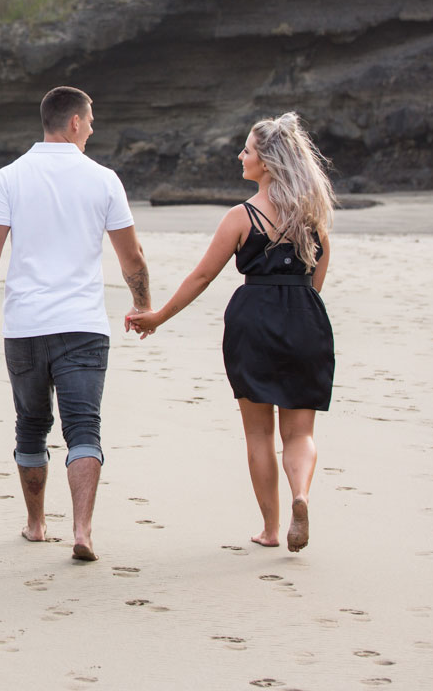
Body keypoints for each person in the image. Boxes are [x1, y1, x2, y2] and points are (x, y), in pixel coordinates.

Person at [0, 86, 151, 563]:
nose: (94, 127)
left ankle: (37, 524)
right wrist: (142, 305)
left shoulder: (10, 177)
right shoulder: (104, 180)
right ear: (74, 122)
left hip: (25, 325)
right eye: (91, 119)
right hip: (82, 325)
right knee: (84, 427)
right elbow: (131, 255)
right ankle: (82, 530)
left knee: (31, 426)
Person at [128, 112, 335, 553]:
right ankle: (301, 494)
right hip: (305, 319)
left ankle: (272, 529)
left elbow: (202, 277)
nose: (241, 156)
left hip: (253, 322)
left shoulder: (241, 217)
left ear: (267, 161)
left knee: (258, 433)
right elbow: (319, 273)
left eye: (247, 150)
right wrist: (299, 308)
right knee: (299, 434)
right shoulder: (312, 217)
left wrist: (158, 316)